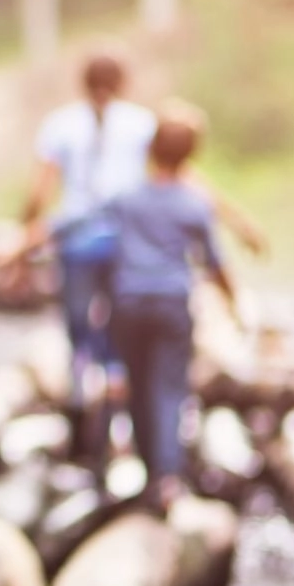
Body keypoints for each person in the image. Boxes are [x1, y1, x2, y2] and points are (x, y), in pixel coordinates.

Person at [13, 54, 157, 466]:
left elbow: (40, 190)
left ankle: (81, 426)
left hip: (75, 243)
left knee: (78, 331)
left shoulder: (61, 124)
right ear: (124, 82)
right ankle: (119, 424)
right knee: (117, 332)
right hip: (125, 244)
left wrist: (26, 239)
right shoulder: (142, 124)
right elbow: (160, 178)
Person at [101, 101, 235, 510]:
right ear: (191, 155)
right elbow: (215, 263)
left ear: (149, 150)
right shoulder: (194, 203)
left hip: (127, 305)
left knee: (138, 388)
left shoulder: (126, 198)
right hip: (171, 305)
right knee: (169, 389)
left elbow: (91, 238)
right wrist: (235, 307)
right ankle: (166, 478)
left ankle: (147, 472)